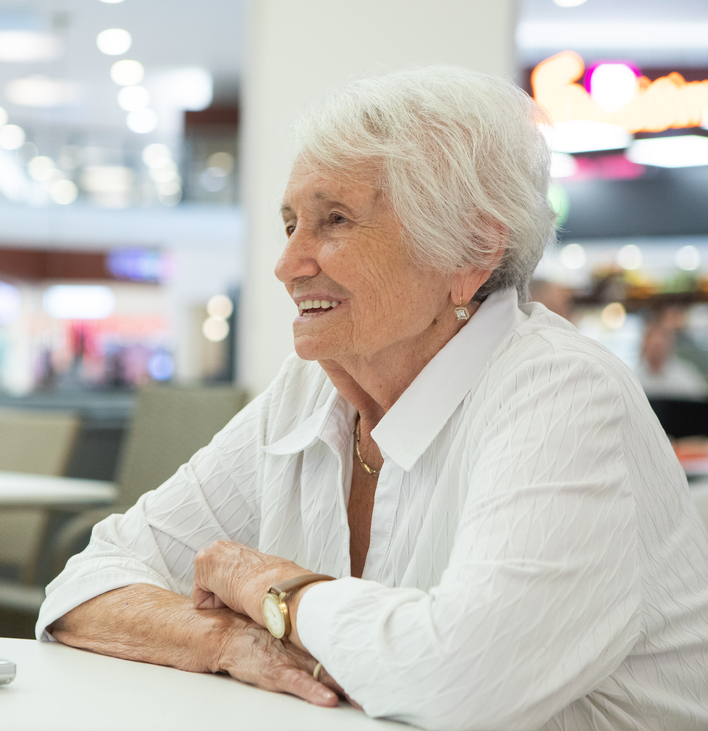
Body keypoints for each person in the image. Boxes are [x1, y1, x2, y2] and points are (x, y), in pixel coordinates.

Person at [36, 67, 708, 730]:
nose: (287, 263)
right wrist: (229, 641)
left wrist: (270, 591)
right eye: (290, 222)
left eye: (333, 220)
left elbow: (460, 679)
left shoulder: (558, 391)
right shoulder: (309, 390)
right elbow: (84, 585)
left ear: (470, 253)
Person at [636, 307, 708, 400]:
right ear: (644, 346)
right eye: (653, 347)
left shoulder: (686, 377)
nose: (656, 352)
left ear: (669, 346)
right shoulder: (634, 378)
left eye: (659, 346)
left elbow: (701, 401)